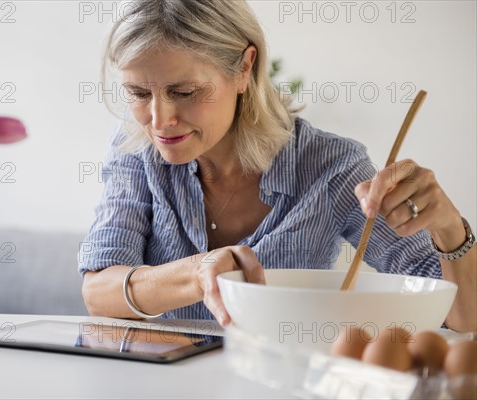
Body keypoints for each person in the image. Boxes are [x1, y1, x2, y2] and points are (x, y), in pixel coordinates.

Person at [78, 0, 476, 332]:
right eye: (137, 92)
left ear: (244, 68)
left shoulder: (331, 168)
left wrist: (449, 229)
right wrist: (198, 273)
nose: (159, 119)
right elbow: (98, 293)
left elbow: (462, 317)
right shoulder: (136, 146)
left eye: (184, 91)